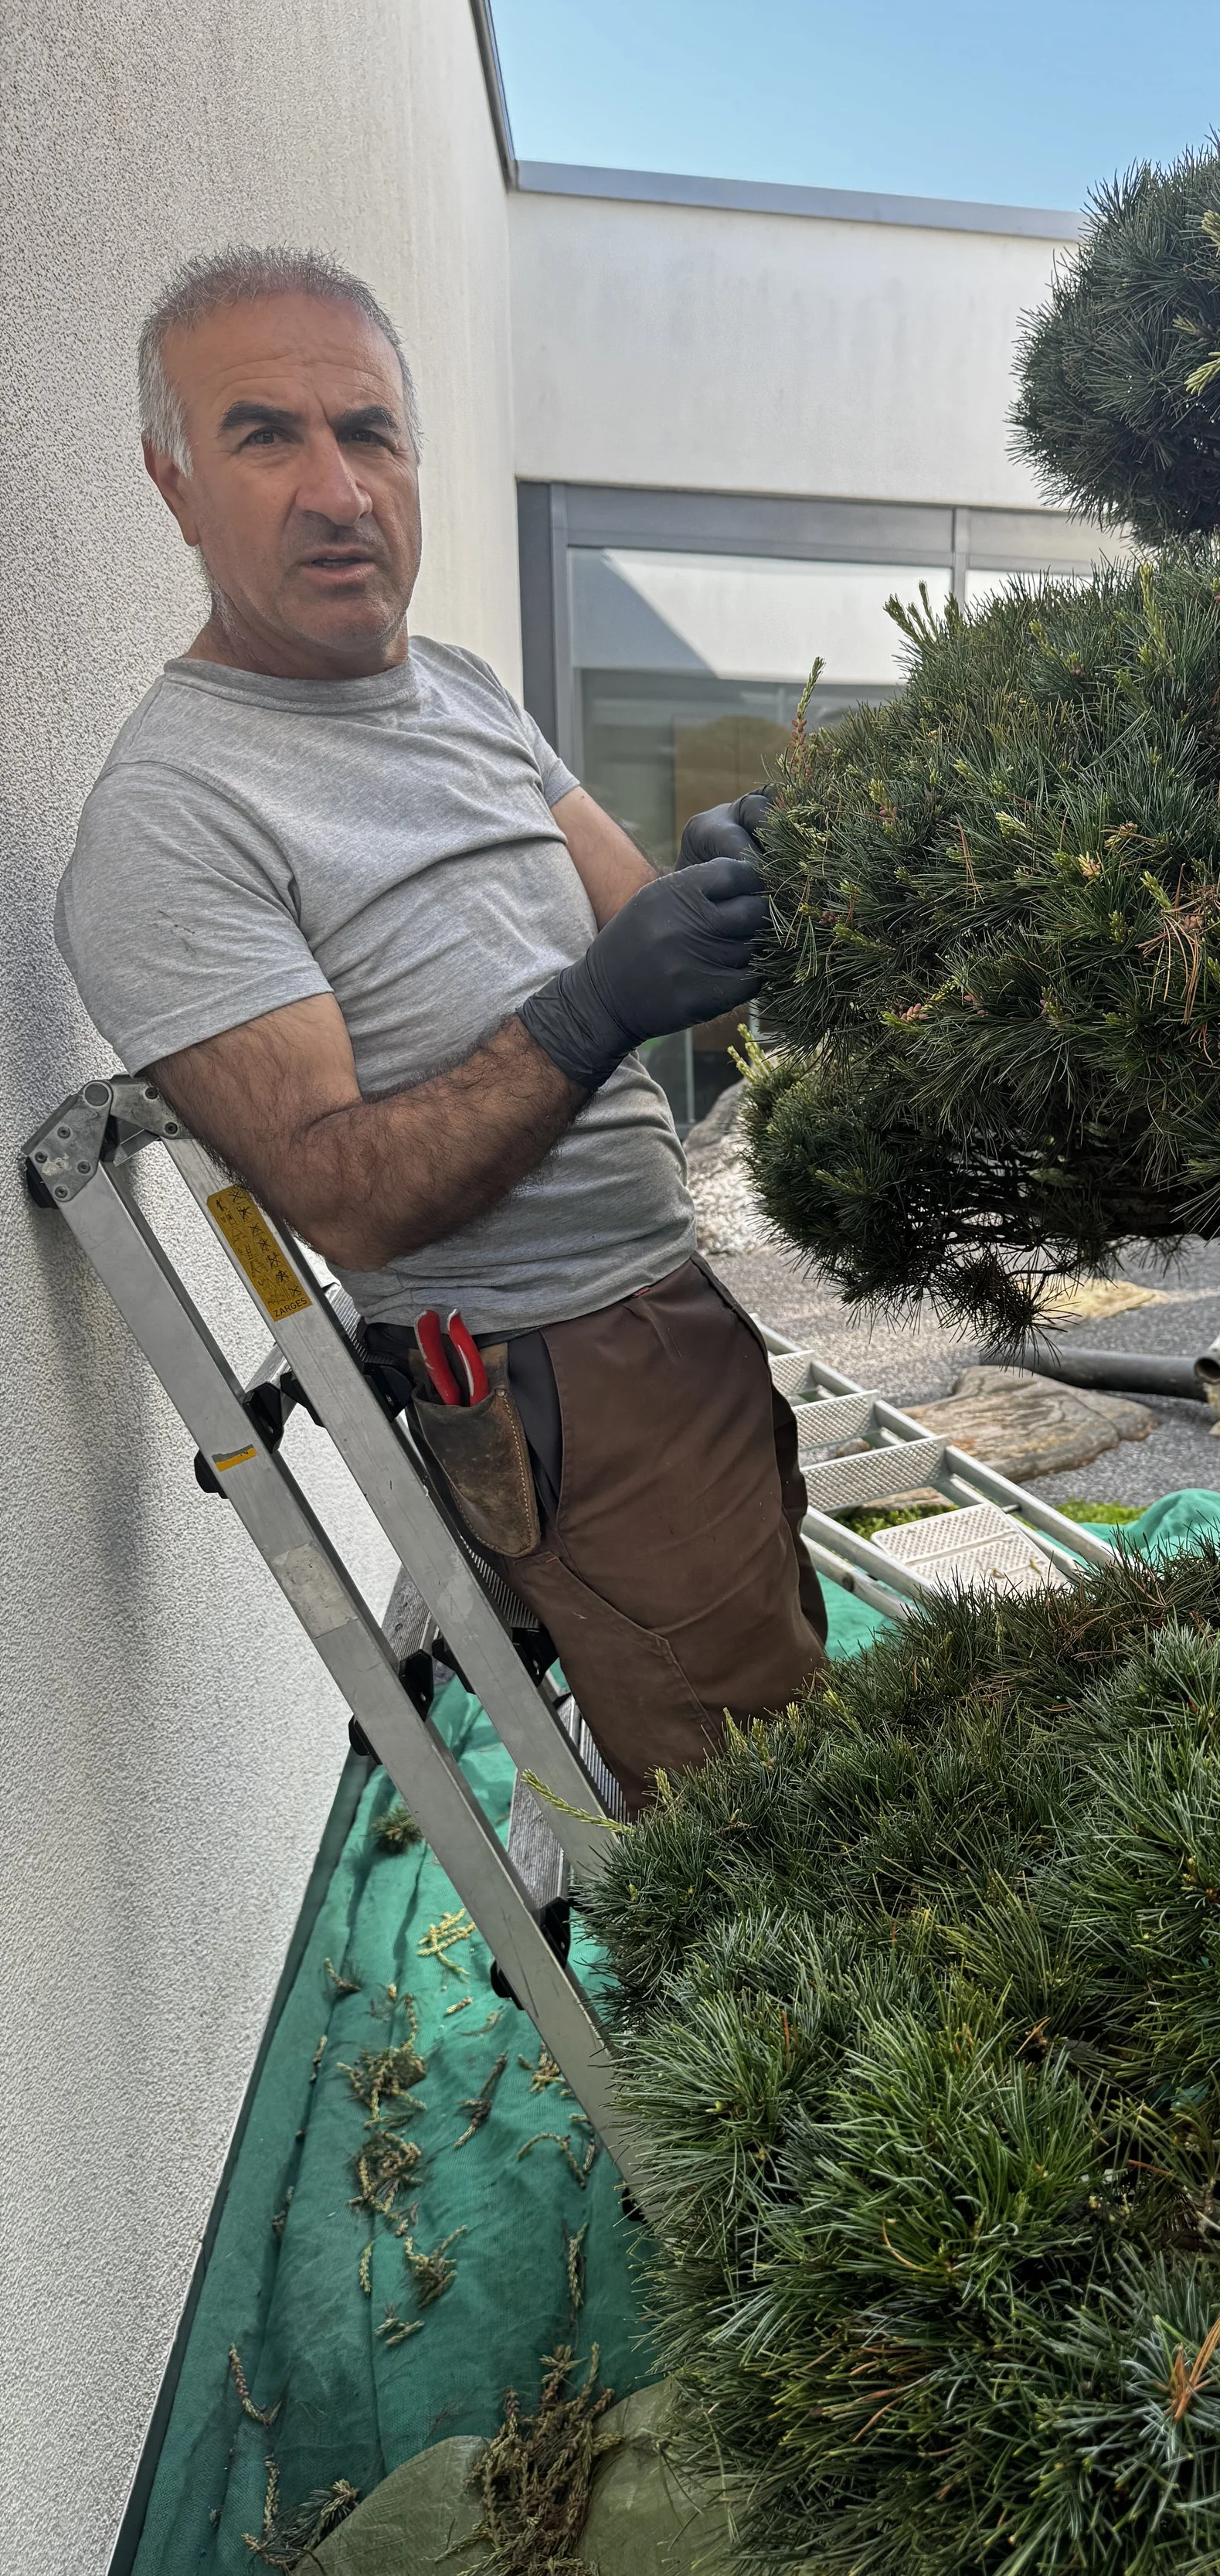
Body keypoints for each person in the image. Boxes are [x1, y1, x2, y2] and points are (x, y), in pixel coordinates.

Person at [55, 247, 826, 1812]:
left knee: (779, 1717)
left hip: (666, 1313)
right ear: (174, 481)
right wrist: (606, 1001)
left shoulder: (464, 690)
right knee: (766, 1813)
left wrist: (738, 882)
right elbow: (339, 1191)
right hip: (553, 1372)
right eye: (266, 435)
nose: (339, 489)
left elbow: (652, 943)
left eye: (372, 432)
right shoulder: (173, 816)